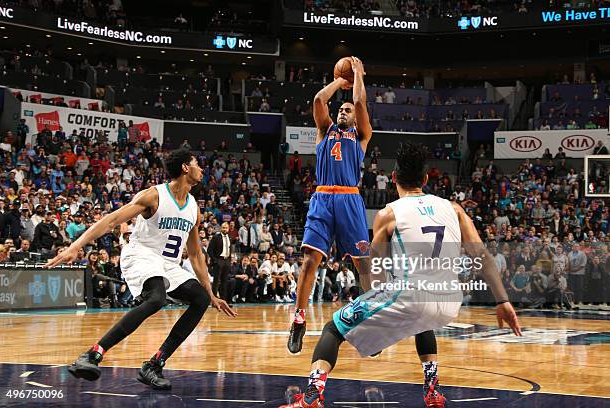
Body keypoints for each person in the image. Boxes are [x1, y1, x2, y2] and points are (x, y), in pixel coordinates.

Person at [280, 142, 521, 408]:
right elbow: (483, 257)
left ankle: (312, 396)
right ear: (426, 179)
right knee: (422, 322)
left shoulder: (388, 213)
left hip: (411, 296)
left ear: (393, 178)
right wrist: (503, 301)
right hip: (450, 300)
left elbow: (374, 269)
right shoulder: (454, 209)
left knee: (333, 329)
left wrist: (370, 300)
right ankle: (432, 391)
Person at [44, 148, 236, 390]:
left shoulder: (193, 208)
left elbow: (196, 253)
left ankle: (154, 364)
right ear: (186, 168)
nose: (201, 168)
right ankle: (93, 353)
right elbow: (112, 220)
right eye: (197, 163)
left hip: (168, 264)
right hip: (141, 256)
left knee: (199, 299)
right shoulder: (154, 195)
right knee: (156, 298)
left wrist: (210, 293)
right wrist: (75, 246)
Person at [288, 57, 373, 354]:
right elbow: (318, 100)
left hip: (350, 198)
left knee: (364, 266)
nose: (342, 110)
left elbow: (360, 102)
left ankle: (370, 327)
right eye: (340, 108)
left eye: (346, 109)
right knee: (310, 260)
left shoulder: (361, 136)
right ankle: (298, 319)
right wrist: (339, 80)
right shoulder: (324, 131)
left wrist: (358, 76)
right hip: (323, 198)